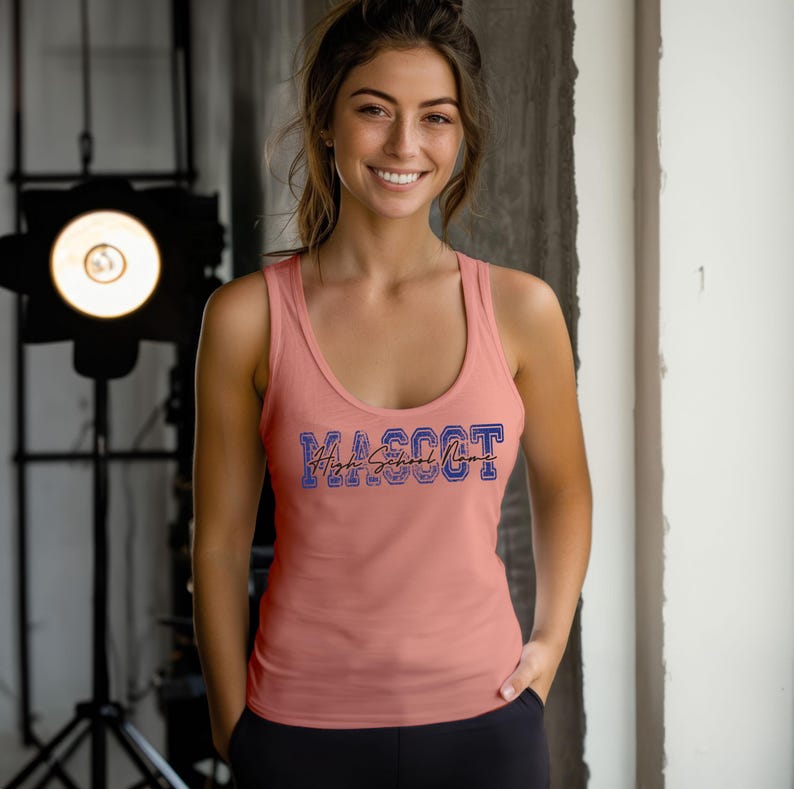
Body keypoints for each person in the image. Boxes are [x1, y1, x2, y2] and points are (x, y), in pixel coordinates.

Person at [191, 1, 592, 787]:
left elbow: (566, 487)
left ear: (462, 134)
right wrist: (231, 718)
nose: (405, 145)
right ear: (327, 121)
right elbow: (220, 537)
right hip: (299, 728)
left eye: (435, 117)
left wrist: (547, 647)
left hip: (487, 723)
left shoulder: (521, 308)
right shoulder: (246, 317)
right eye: (374, 110)